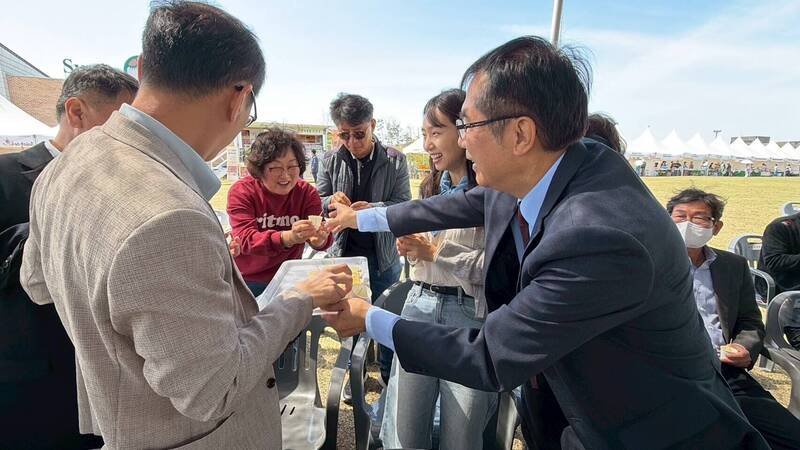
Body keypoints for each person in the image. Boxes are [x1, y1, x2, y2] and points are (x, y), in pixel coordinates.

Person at [324, 36, 767, 449]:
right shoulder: (561, 165)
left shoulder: (597, 236)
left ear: (520, 134)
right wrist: (360, 218)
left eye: (468, 124)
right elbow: (441, 209)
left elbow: (490, 356)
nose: (460, 139)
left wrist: (370, 320)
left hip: (643, 429)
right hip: (569, 405)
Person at [20, 3, 352, 448]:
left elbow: (37, 283)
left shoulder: (66, 162)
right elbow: (215, 389)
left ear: (143, 68)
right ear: (239, 98)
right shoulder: (170, 215)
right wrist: (300, 298)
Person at [0, 64, 137, 449]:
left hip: (110, 379)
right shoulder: (7, 176)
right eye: (118, 122)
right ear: (76, 112)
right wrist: (56, 227)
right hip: (31, 383)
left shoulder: (127, 185)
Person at [378, 89, 495, 450]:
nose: (428, 143)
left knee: (461, 437)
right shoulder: (431, 188)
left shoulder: (493, 192)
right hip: (418, 305)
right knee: (404, 430)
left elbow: (496, 268)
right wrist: (412, 250)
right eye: (425, 133)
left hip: (470, 318)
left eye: (436, 132)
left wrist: (435, 251)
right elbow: (423, 260)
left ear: (464, 131)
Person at [666, 188, 800, 450]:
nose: (689, 224)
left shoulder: (732, 266)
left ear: (716, 227)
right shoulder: (647, 264)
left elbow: (750, 321)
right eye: (680, 216)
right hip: (671, 375)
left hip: (726, 374)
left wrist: (744, 347)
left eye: (700, 218)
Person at [316, 93, 411, 386]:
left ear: (372, 124)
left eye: (359, 134)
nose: (353, 142)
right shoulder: (330, 160)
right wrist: (331, 200)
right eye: (345, 135)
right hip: (344, 257)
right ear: (337, 132)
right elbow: (316, 200)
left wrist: (372, 210)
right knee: (348, 321)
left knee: (386, 321)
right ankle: (350, 380)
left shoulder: (396, 161)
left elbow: (403, 204)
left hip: (384, 259)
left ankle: (386, 379)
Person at [227, 128, 332, 297]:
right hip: (248, 280)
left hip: (288, 276)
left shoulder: (307, 193)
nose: (286, 176)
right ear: (259, 170)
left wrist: (319, 239)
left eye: (292, 166)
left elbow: (322, 239)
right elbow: (245, 238)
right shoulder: (242, 192)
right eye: (275, 168)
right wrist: (288, 237)